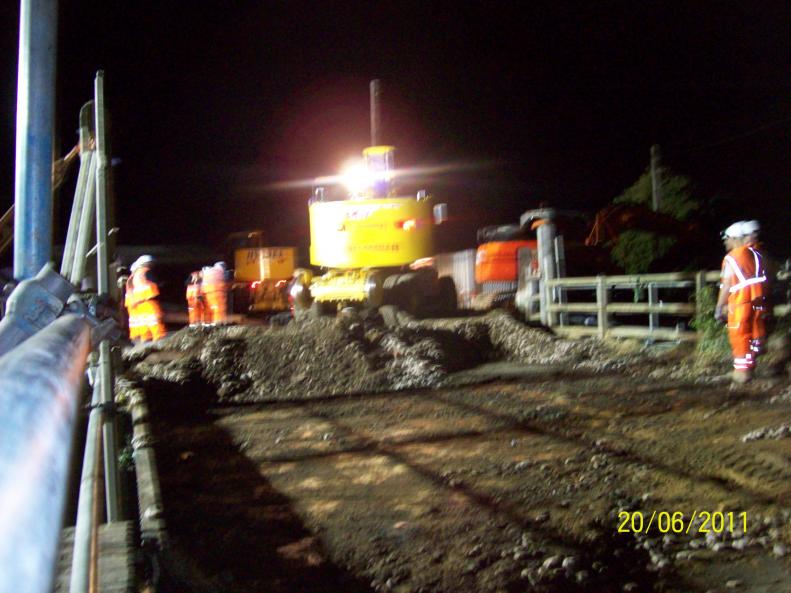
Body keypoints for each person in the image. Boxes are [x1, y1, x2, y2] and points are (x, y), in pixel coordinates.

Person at [715, 222, 767, 384]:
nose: (725, 243)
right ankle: (749, 368)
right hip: (758, 301)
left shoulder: (732, 257)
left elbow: (727, 284)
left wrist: (719, 307)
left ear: (735, 239)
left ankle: (742, 373)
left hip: (740, 301)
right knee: (754, 335)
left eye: (727, 239)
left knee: (740, 336)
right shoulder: (757, 254)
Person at [124, 255, 166, 342]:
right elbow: (154, 281)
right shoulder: (145, 272)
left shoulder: (133, 277)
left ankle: (146, 337)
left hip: (136, 302)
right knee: (154, 318)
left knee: (143, 321)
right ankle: (159, 336)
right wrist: (161, 284)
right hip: (147, 300)